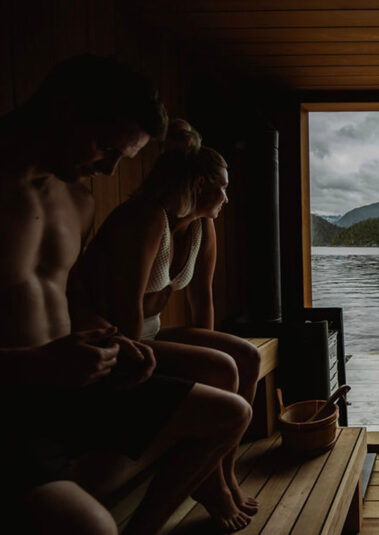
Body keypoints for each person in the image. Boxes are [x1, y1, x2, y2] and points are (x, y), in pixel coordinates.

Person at [0, 54, 251, 535]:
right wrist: (35, 365)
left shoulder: (76, 201)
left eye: (123, 157)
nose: (112, 170)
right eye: (106, 148)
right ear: (65, 109)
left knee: (231, 412)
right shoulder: (141, 220)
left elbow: (71, 299)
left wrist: (113, 339)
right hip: (15, 398)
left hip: (82, 384)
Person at [70, 119, 261, 530]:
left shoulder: (201, 227)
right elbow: (125, 308)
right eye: (222, 187)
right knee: (222, 367)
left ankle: (222, 474)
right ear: (197, 184)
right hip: (117, 338)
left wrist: (212, 346)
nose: (227, 197)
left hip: (151, 331)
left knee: (243, 355)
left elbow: (201, 299)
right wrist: (135, 360)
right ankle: (212, 487)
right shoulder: (146, 218)